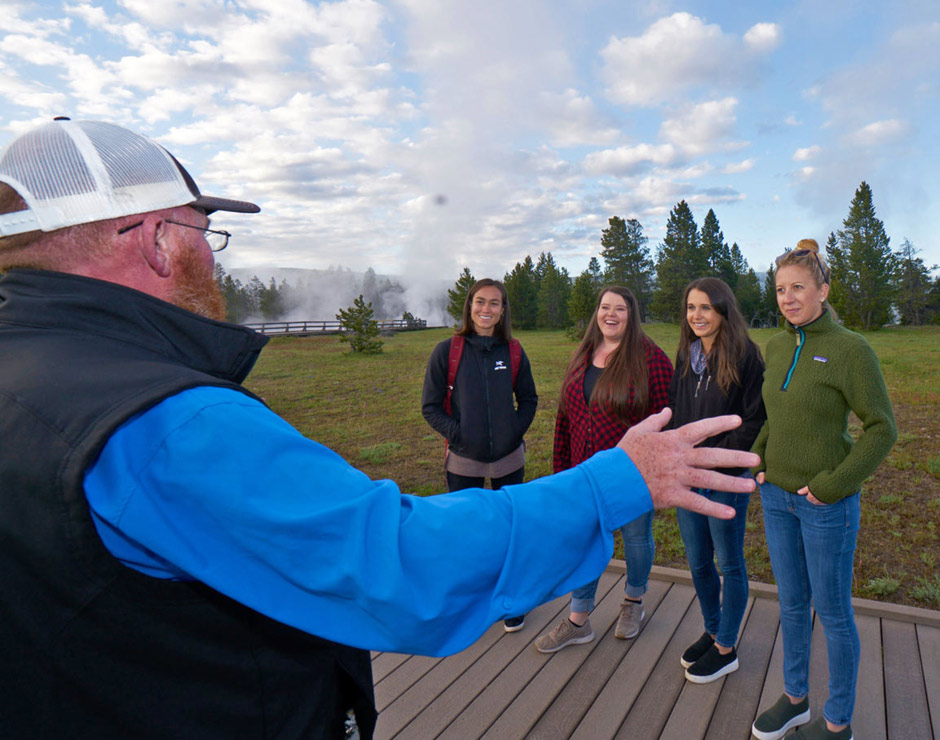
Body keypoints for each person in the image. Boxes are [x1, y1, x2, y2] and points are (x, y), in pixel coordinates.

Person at [0, 119, 759, 740]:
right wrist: (615, 481)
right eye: (204, 231)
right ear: (156, 241)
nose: (212, 256)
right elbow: (402, 562)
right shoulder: (167, 423)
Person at [750, 240, 897, 740]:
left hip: (825, 506)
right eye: (780, 289)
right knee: (791, 603)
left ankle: (837, 724)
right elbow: (776, 412)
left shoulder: (850, 349)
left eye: (798, 288)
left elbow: (882, 428)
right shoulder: (775, 345)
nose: (788, 298)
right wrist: (762, 459)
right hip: (775, 498)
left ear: (823, 290)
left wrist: (833, 485)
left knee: (833, 614)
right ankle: (794, 699)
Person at [536, 286, 673, 653]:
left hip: (631, 474)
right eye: (604, 307)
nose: (610, 314)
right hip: (584, 473)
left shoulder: (651, 359)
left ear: (632, 315)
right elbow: (566, 417)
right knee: (585, 539)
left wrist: (656, 473)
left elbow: (666, 419)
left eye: (620, 309)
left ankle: (634, 601)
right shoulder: (583, 354)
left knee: (636, 539)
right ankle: (579, 620)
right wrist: (563, 469)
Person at [421, 278, 538, 632]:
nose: (486, 309)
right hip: (463, 458)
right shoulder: (448, 351)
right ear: (469, 306)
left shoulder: (513, 351)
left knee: (508, 530)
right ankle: (470, 600)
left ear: (503, 310)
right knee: (465, 529)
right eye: (480, 302)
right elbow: (430, 407)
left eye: (494, 303)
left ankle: (511, 600)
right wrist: (459, 436)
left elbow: (529, 399)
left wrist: (513, 431)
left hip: (508, 458)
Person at [667, 277, 766, 683]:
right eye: (691, 308)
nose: (697, 315)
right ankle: (712, 629)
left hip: (724, 478)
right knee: (697, 561)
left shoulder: (745, 355)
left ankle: (727, 646)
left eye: (706, 307)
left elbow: (755, 418)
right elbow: (676, 409)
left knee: (729, 562)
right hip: (687, 476)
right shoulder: (688, 354)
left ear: (723, 310)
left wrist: (718, 464)